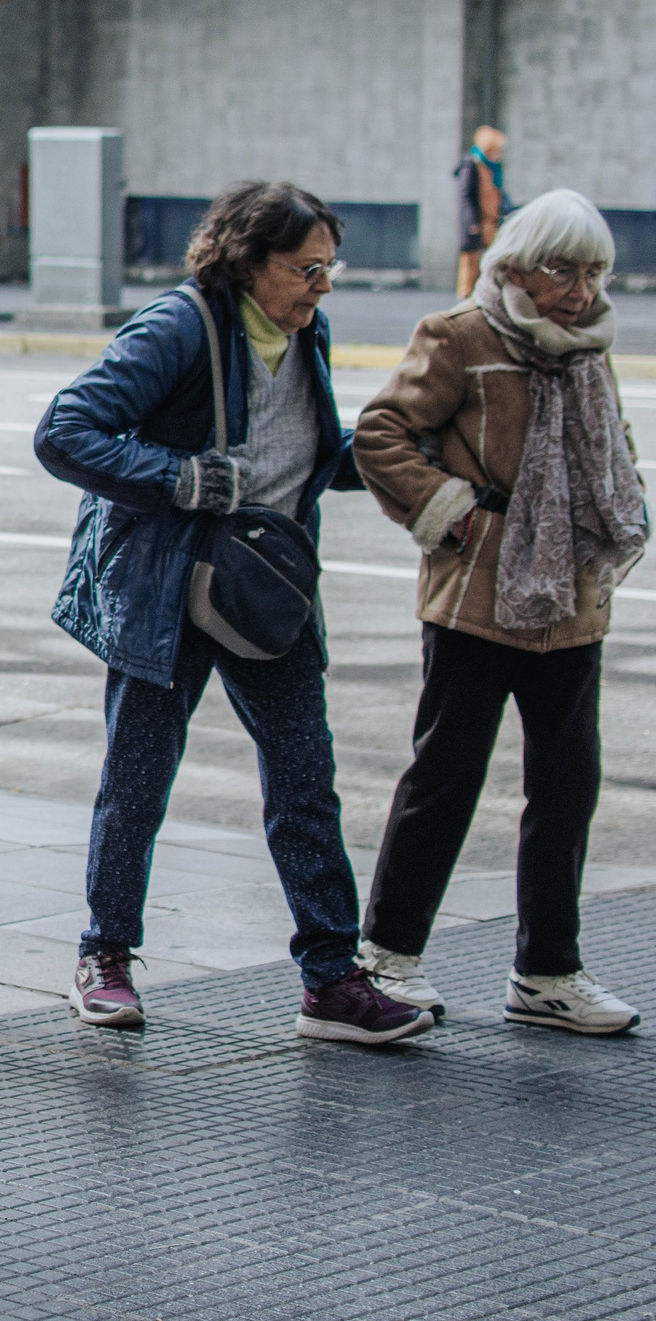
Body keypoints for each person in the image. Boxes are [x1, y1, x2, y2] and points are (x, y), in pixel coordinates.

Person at [35, 181, 431, 1044]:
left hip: (265, 585)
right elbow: (64, 430)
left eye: (330, 269)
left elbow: (305, 454)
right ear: (248, 262)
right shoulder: (181, 328)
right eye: (306, 269)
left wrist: (417, 450)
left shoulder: (304, 330)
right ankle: (103, 956)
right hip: (173, 590)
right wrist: (177, 477)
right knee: (138, 779)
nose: (322, 287)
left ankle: (330, 979)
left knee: (303, 783)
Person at [352, 190, 646, 1035]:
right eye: (562, 269)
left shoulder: (590, 346)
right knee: (445, 778)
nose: (579, 290)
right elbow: (380, 433)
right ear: (517, 265)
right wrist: (457, 513)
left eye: (593, 272)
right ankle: (388, 956)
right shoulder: (461, 335)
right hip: (478, 595)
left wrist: (624, 501)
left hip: (574, 601)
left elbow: (612, 442)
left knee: (567, 787)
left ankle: (549, 970)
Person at [455, 125, 508, 299]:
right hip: (477, 224)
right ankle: (465, 298)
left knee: (492, 262)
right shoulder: (471, 165)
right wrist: (472, 223)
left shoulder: (493, 168)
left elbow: (498, 195)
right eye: (496, 150)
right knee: (470, 264)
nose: (499, 154)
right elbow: (467, 197)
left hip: (491, 223)